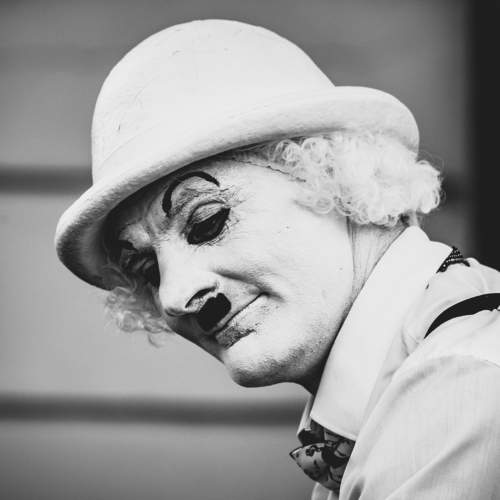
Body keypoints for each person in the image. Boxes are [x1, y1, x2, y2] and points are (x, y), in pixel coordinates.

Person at [55, 19, 500, 500]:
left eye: (207, 221)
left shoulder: (463, 387)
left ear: (332, 174)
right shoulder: (421, 381)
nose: (174, 296)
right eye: (147, 268)